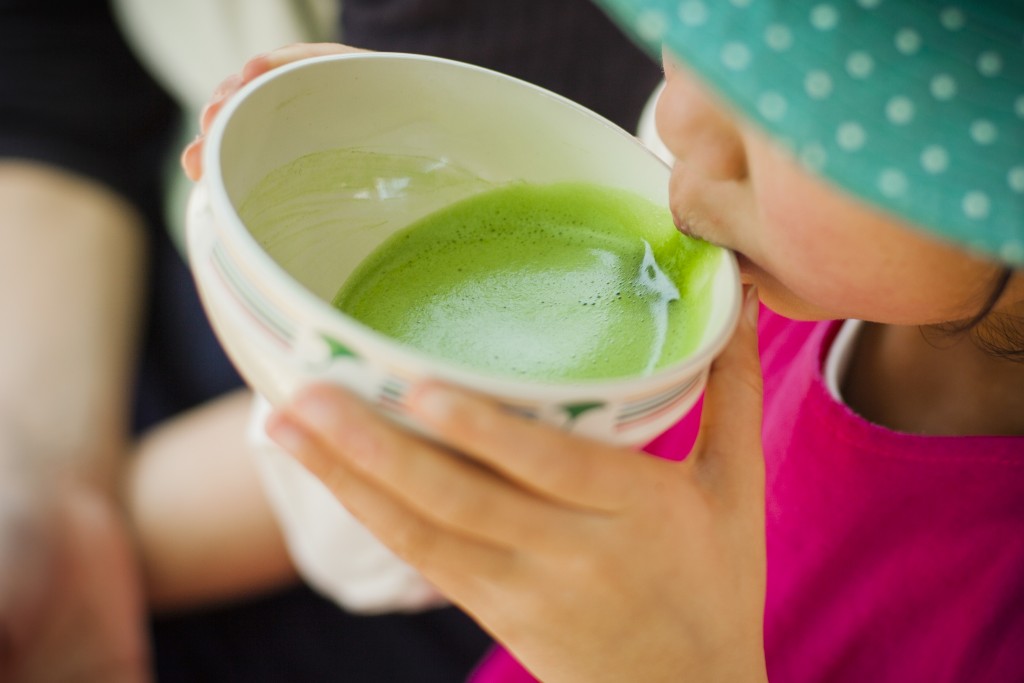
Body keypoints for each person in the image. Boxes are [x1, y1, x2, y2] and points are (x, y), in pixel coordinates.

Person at [186, 0, 1024, 681]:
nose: (684, 114)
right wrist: (351, 333)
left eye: (796, 103)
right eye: (711, 31)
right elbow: (365, 561)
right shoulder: (728, 255)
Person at [0, 0, 663, 680]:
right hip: (133, 281)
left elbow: (504, 378)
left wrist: (79, 541)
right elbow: (52, 82)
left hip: (414, 468)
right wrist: (36, 468)